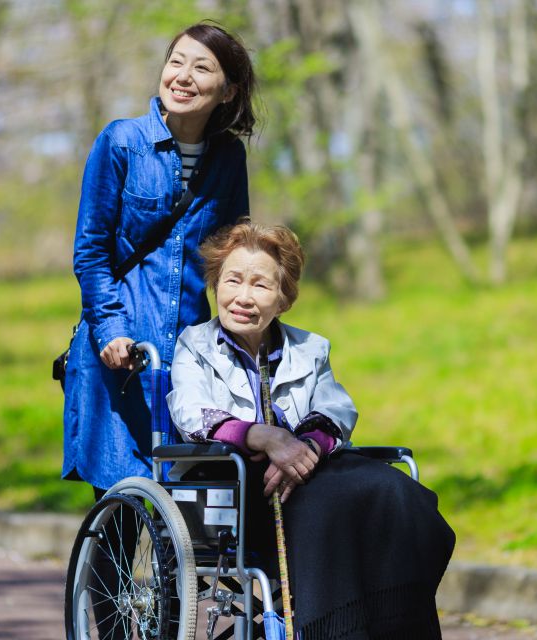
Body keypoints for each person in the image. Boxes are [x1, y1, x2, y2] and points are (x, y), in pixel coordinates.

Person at [167, 221, 456, 639]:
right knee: (331, 509)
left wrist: (305, 449)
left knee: (397, 494)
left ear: (283, 299)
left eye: (261, 286)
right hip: (239, 489)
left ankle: (395, 622)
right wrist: (264, 437)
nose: (242, 297)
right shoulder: (193, 345)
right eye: (232, 280)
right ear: (216, 284)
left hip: (310, 470)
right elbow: (190, 412)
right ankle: (337, 629)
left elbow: (335, 408)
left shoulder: (310, 348)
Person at [62, 22, 257, 497]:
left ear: (228, 91)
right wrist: (109, 331)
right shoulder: (122, 141)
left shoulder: (228, 157)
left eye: (202, 67)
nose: (183, 76)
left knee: (191, 520)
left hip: (191, 358)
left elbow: (230, 256)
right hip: (122, 355)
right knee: (122, 507)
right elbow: (91, 251)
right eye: (176, 62)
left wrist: (249, 334)